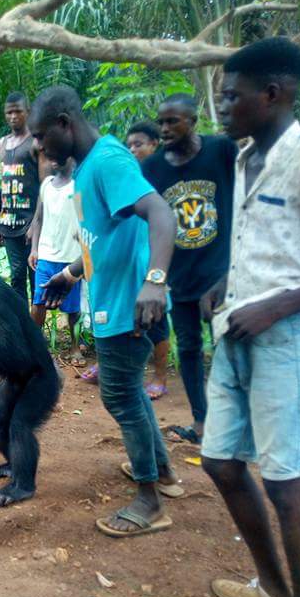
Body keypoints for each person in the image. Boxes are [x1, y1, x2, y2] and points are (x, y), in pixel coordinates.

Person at [29, 85, 184, 537]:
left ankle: (149, 500)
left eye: (41, 136)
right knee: (128, 392)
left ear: (64, 123)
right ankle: (162, 472)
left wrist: (154, 282)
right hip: (111, 299)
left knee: (118, 394)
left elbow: (160, 213)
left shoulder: (110, 160)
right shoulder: (87, 167)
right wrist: (72, 273)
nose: (38, 146)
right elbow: (102, 234)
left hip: (130, 303)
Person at [199, 37, 300, 597]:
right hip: (236, 326)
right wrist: (228, 284)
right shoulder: (242, 159)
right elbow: (270, 244)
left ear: (274, 93)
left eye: (232, 96)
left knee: (286, 481)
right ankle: (271, 589)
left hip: (283, 336)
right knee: (218, 461)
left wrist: (278, 302)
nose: (223, 106)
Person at [142, 95, 236, 442]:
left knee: (228, 348)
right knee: (190, 349)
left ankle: (235, 424)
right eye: (161, 122)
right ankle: (201, 421)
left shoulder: (221, 151)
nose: (165, 129)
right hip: (180, 277)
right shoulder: (153, 168)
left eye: (173, 121)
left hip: (222, 274)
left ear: (193, 121)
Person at [124, 120, 170, 400]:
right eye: (129, 145)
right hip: (133, 257)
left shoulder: (164, 176)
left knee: (158, 320)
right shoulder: (129, 177)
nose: (132, 150)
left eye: (138, 144)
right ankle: (129, 371)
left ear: (155, 144)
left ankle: (161, 376)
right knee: (132, 317)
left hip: (157, 258)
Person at [27, 158, 84, 365]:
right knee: (38, 301)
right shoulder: (46, 185)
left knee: (73, 307)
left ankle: (75, 346)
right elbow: (39, 218)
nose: (55, 160)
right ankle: (36, 346)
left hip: (71, 256)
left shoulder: (78, 185)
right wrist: (34, 249)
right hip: (47, 253)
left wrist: (84, 250)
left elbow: (83, 218)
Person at [0, 92, 42, 304]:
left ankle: (36, 326)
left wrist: (36, 222)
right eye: (9, 112)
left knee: (34, 274)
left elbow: (45, 186)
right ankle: (21, 326)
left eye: (18, 111)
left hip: (31, 220)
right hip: (8, 222)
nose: (13, 116)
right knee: (16, 276)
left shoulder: (35, 143)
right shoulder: (1, 145)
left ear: (28, 112)